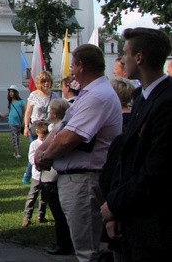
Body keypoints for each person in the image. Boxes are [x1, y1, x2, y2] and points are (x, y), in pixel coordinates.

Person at [35, 44, 122, 262]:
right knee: (84, 245)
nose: (71, 70)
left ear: (81, 66)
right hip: (76, 178)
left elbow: (68, 138)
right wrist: (44, 149)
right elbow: (61, 128)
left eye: (73, 65)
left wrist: (44, 157)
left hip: (84, 180)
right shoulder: (89, 94)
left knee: (87, 250)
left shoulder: (97, 96)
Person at [102, 27, 172, 261]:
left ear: (139, 57)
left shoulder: (166, 102)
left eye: (125, 53)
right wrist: (115, 212)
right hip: (130, 221)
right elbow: (126, 157)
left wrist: (114, 204)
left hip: (155, 227)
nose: (121, 59)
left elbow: (155, 171)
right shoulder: (142, 97)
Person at [40, 98, 73, 256]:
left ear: (54, 113)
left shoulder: (60, 128)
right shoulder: (57, 126)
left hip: (52, 176)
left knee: (59, 213)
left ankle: (63, 243)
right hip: (51, 175)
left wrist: (43, 156)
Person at [22, 71, 54, 184]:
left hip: (49, 128)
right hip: (36, 126)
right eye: (44, 81)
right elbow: (28, 112)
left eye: (48, 81)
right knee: (36, 151)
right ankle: (28, 174)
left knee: (47, 151)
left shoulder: (54, 95)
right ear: (40, 83)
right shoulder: (34, 95)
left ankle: (44, 173)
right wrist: (26, 126)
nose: (46, 84)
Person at [22, 121, 50, 227]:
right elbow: (31, 158)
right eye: (42, 135)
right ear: (37, 133)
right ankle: (27, 216)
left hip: (46, 174)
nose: (43, 138)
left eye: (45, 135)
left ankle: (41, 216)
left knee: (44, 197)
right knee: (32, 195)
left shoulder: (49, 143)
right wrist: (38, 164)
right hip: (36, 175)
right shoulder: (34, 144)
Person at [7, 85, 26, 159]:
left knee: (17, 138)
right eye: (10, 92)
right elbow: (9, 112)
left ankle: (15, 152)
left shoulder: (21, 102)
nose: (11, 93)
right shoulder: (10, 102)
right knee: (14, 137)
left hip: (19, 123)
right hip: (12, 123)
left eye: (12, 91)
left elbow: (24, 112)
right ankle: (17, 153)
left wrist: (24, 122)